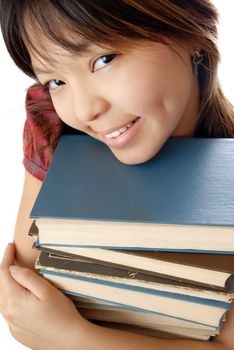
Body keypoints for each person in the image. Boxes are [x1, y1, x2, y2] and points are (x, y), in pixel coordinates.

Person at [0, 0, 234, 349]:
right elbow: (25, 300)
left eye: (104, 60)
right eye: (56, 80)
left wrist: (74, 338)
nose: (84, 110)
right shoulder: (53, 126)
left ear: (187, 28)